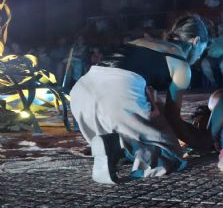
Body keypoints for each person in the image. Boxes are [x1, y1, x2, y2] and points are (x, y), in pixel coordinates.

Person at [70, 15, 211, 183]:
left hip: (82, 92)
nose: (199, 57)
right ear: (196, 41)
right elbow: (173, 119)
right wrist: (203, 143)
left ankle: (112, 146)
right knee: (169, 154)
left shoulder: (142, 42)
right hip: (118, 91)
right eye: (202, 51)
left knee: (138, 130)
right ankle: (115, 146)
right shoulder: (181, 64)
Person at [201, 23, 223, 88]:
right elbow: (204, 46)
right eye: (219, 30)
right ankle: (213, 83)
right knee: (204, 63)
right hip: (211, 57)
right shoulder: (213, 39)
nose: (221, 31)